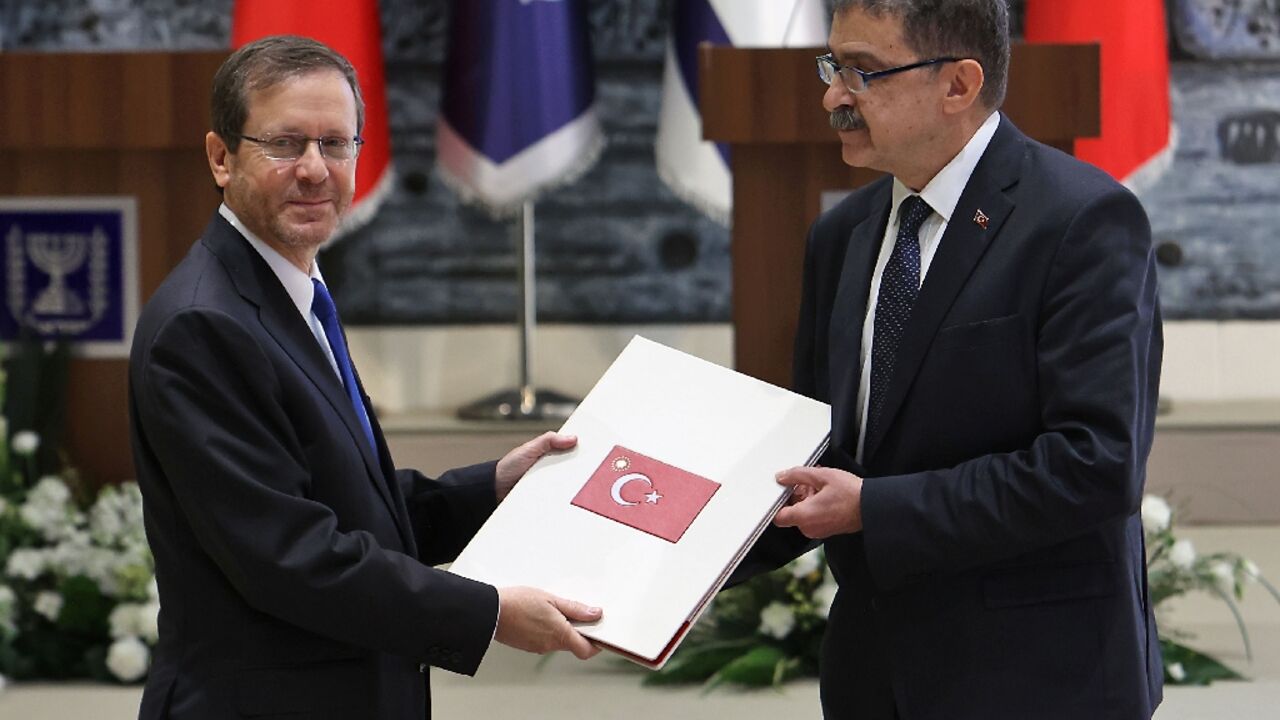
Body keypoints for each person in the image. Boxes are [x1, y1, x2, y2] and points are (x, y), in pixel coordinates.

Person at [128, 35, 601, 719]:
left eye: (336, 143)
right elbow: (292, 555)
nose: (315, 170)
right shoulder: (204, 326)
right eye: (285, 144)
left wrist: (495, 486)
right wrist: (490, 612)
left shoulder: (289, 290)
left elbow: (351, 506)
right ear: (221, 158)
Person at [743, 1, 1164, 718]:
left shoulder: (1083, 221)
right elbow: (820, 450)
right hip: (875, 675)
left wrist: (875, 508)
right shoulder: (841, 235)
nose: (833, 96)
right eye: (833, 66)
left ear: (959, 85)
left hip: (1037, 674)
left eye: (863, 72)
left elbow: (1094, 464)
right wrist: (658, 558)